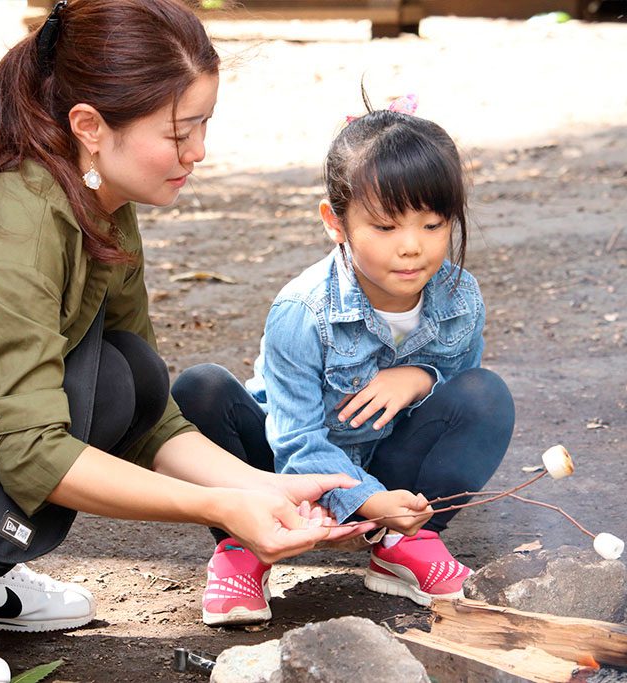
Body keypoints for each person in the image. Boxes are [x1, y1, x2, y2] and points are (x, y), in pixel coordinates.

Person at [0, 2, 369, 681]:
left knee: (123, 374)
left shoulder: (98, 200)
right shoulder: (18, 223)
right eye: (179, 131)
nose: (198, 152)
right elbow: (29, 451)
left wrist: (266, 487)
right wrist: (216, 506)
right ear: (89, 125)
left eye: (204, 125)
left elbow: (145, 413)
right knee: (88, 394)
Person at [172, 95, 516, 627]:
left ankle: (406, 542)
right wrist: (368, 500)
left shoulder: (459, 297)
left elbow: (460, 378)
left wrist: (422, 376)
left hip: (390, 469)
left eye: (433, 225)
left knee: (485, 394)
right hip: (286, 470)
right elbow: (294, 442)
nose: (412, 248)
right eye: (385, 227)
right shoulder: (302, 311)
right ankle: (242, 546)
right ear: (336, 222)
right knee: (200, 390)